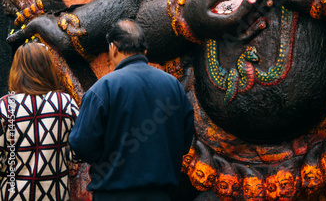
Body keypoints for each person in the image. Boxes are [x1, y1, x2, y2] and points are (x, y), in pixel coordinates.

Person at [69, 19, 194, 201]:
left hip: (113, 194)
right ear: (144, 50)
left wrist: (108, 157)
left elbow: (81, 144)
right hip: (160, 195)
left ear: (113, 48)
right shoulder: (173, 85)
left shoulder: (103, 89)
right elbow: (185, 140)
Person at [0, 41, 79, 201]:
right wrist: (66, 158)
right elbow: (82, 148)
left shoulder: (5, 105)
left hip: (13, 195)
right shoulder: (65, 102)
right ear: (49, 68)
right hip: (55, 194)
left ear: (17, 70)